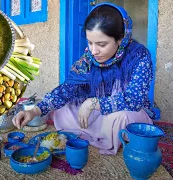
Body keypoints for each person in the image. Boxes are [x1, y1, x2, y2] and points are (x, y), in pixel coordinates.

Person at [12, 2, 155, 155]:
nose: (93, 51)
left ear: (121, 39)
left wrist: (93, 103)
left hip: (124, 111)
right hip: (98, 114)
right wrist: (35, 111)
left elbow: (135, 100)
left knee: (123, 119)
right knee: (62, 110)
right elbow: (67, 89)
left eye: (101, 44)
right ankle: (103, 133)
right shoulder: (89, 59)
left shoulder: (139, 56)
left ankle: (104, 132)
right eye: (90, 42)